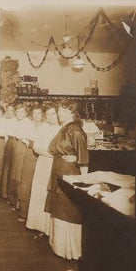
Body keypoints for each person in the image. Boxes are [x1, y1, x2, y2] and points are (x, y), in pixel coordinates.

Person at [45, 103, 90, 260]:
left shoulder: (75, 130)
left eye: (64, 110)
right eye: (59, 110)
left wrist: (83, 182)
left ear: (73, 112)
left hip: (69, 172)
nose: (60, 113)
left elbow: (83, 158)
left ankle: (69, 249)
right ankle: (58, 245)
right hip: (58, 169)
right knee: (58, 206)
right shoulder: (64, 128)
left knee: (67, 209)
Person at [25, 107, 61, 235]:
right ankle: (38, 224)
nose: (51, 117)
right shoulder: (43, 128)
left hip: (57, 165)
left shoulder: (62, 129)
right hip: (44, 163)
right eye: (48, 114)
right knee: (40, 192)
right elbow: (36, 147)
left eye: (53, 113)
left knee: (52, 193)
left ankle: (49, 228)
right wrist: (51, 154)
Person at [15, 107, 46, 220]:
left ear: (42, 114)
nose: (36, 115)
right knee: (26, 183)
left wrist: (32, 142)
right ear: (31, 115)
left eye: (39, 113)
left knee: (39, 184)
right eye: (34, 113)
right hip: (29, 154)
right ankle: (24, 212)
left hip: (43, 156)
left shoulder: (46, 126)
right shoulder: (27, 124)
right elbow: (21, 137)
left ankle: (37, 216)